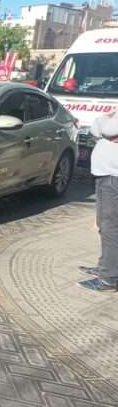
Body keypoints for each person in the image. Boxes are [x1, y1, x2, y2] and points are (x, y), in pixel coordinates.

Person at [78, 111, 118, 292]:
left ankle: (110, 278)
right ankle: (105, 267)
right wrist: (105, 124)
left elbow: (109, 129)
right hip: (105, 175)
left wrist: (106, 123)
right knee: (103, 225)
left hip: (114, 178)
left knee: (111, 228)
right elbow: (95, 130)